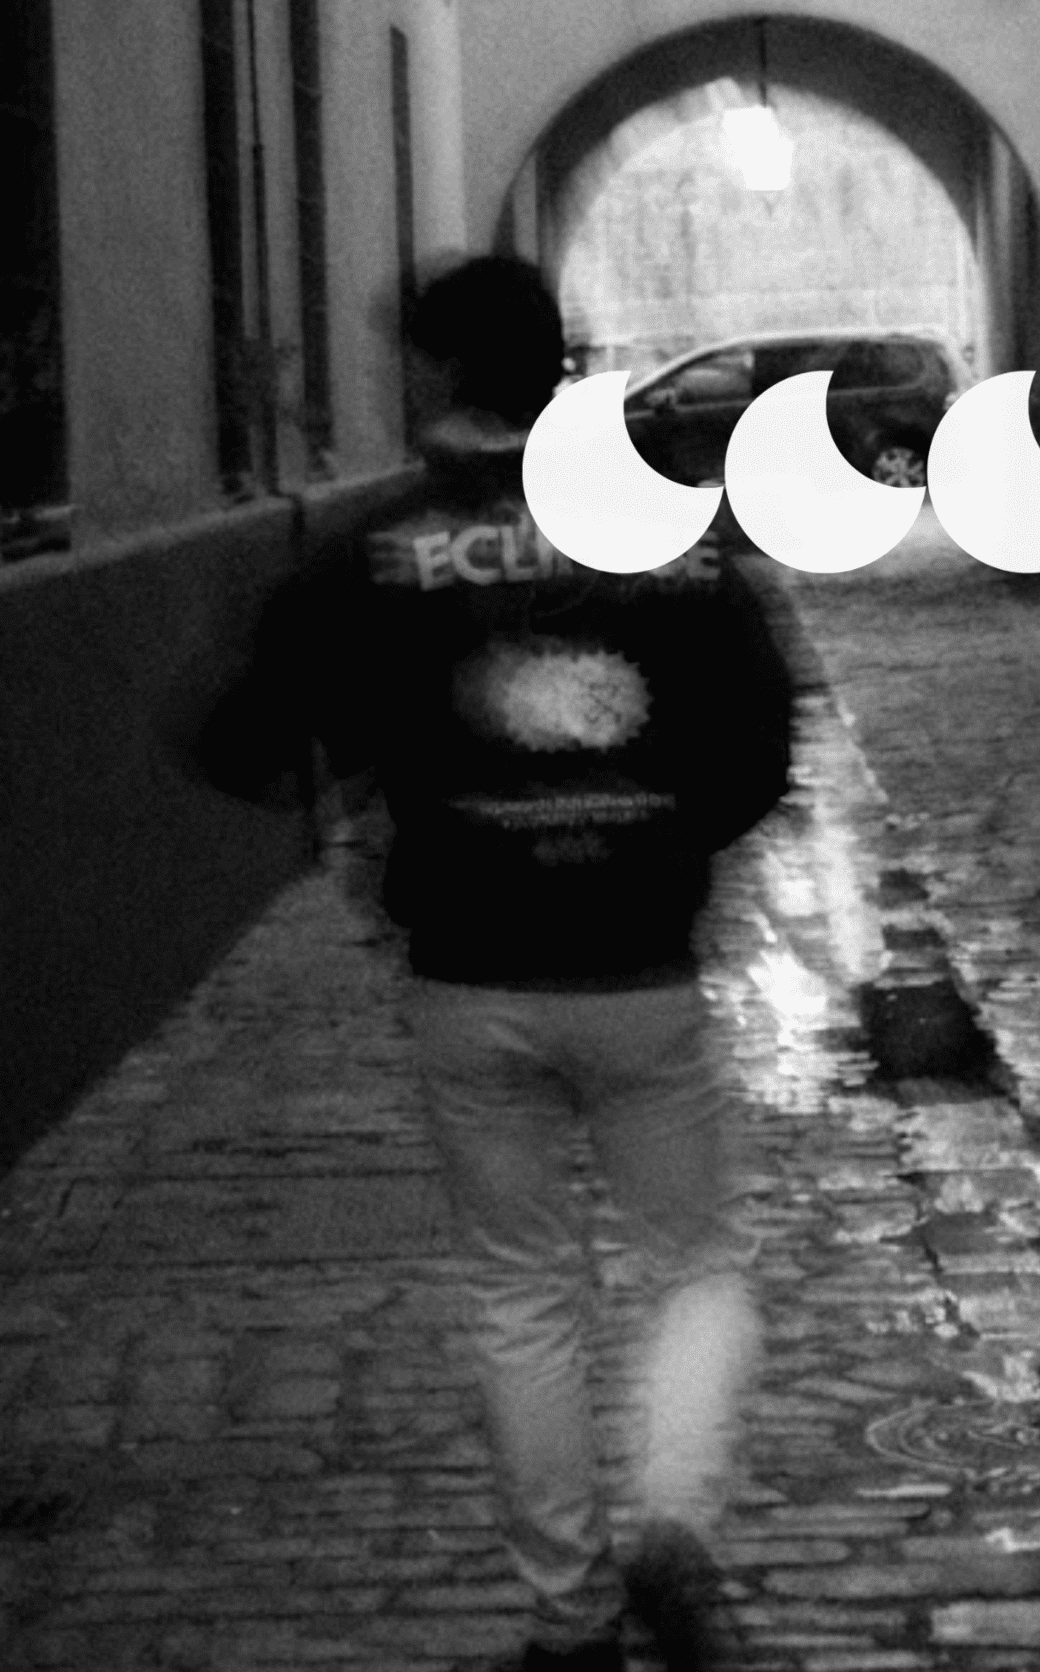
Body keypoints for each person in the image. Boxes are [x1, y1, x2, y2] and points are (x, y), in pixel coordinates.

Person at [198, 254, 794, 1672]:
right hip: (641, 974)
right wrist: (658, 840)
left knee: (523, 1294)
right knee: (695, 1267)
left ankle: (569, 1618)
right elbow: (761, 748)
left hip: (472, 976)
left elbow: (239, 743)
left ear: (434, 370)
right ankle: (672, 1520)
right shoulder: (674, 537)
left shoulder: (374, 555)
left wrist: (372, 766)